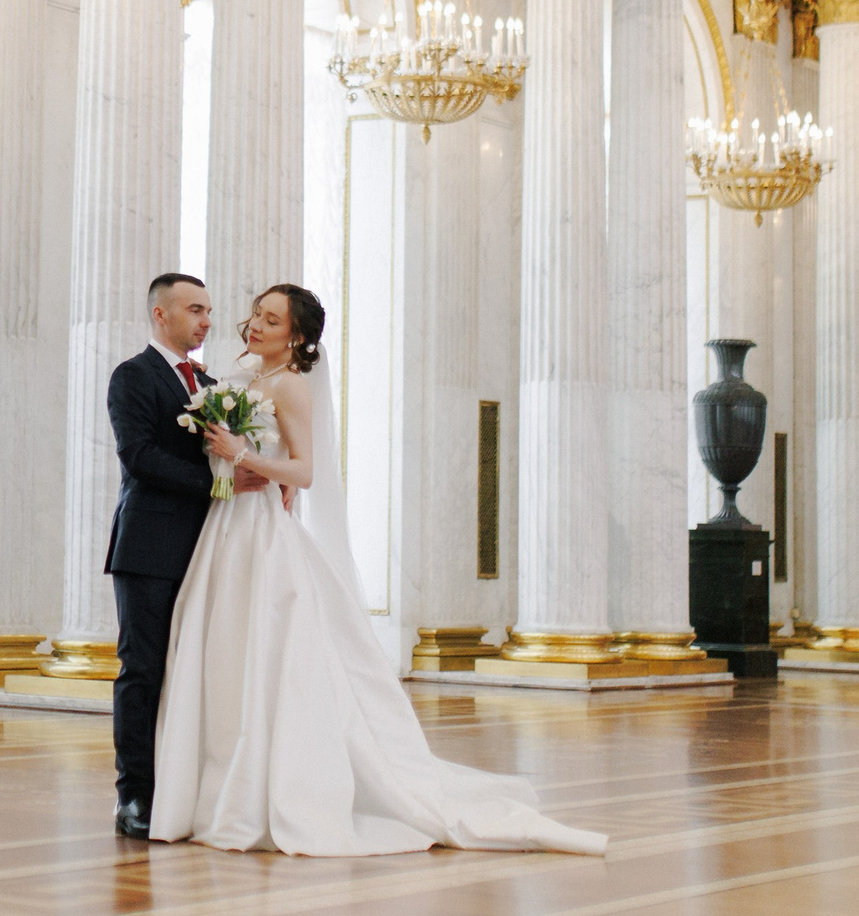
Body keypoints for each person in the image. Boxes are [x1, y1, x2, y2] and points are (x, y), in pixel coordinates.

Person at [149, 283, 608, 858]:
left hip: (261, 532)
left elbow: (304, 472)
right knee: (223, 652)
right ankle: (213, 787)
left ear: (296, 336)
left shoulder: (290, 386)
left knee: (267, 649)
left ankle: (265, 790)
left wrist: (240, 454)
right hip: (224, 529)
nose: (256, 326)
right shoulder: (240, 381)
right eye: (256, 315)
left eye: (271, 320)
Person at [103, 272, 252, 840]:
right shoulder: (132, 376)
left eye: (208, 310)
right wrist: (219, 486)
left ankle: (188, 790)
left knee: (197, 670)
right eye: (195, 310)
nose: (206, 321)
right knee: (143, 670)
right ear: (160, 314)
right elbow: (138, 456)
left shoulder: (213, 385)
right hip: (149, 546)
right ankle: (134, 796)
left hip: (210, 547)